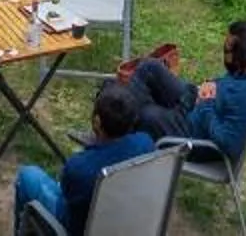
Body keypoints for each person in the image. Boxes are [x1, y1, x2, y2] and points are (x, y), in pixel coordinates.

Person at [12, 77, 154, 233]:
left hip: (79, 228)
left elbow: (66, 195)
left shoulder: (80, 168)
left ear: (97, 122)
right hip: (127, 223)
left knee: (28, 176)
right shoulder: (146, 143)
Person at [123, 19, 246, 160]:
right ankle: (121, 123)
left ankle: (119, 137)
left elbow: (230, 145)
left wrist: (207, 105)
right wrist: (210, 87)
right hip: (194, 102)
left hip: (192, 134)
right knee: (149, 67)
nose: (224, 54)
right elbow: (228, 86)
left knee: (147, 114)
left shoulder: (245, 97)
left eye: (227, 51)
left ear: (241, 56)